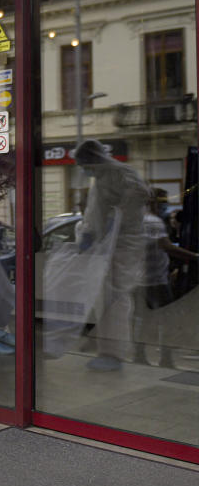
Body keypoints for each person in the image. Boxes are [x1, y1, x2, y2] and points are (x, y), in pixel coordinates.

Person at [73, 139, 150, 371]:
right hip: (106, 247)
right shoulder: (102, 178)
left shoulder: (121, 172)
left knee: (116, 299)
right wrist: (87, 233)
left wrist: (113, 224)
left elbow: (140, 195)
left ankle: (114, 354)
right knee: (104, 298)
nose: (85, 170)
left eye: (85, 164)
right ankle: (106, 350)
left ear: (94, 160)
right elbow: (95, 211)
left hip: (122, 245)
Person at [133, 188, 199, 366]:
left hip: (139, 279)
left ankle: (139, 356)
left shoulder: (136, 220)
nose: (166, 205)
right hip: (156, 280)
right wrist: (194, 256)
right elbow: (166, 246)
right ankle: (166, 359)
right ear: (153, 201)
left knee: (144, 319)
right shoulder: (154, 222)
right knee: (168, 320)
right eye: (163, 201)